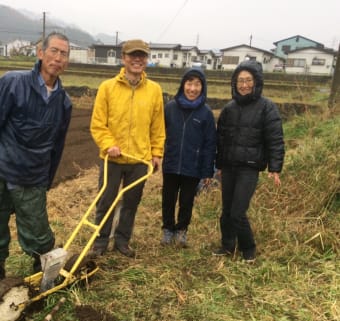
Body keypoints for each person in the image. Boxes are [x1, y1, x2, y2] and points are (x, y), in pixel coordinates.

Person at [0, 32, 72, 279]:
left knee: (38, 233)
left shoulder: (64, 102)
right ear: (41, 53)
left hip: (33, 175)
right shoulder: (12, 83)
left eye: (64, 54)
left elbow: (57, 146)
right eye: (53, 51)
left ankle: (43, 275)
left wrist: (46, 179)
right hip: (3, 167)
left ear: (67, 62)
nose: (58, 58)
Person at [90, 39, 165, 258]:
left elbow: (157, 126)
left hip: (139, 160)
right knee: (106, 201)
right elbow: (98, 124)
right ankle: (100, 242)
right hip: (112, 159)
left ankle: (122, 241)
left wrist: (157, 153)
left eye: (142, 56)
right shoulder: (108, 88)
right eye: (133, 55)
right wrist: (108, 144)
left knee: (131, 203)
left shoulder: (154, 90)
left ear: (146, 60)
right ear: (123, 58)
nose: (138, 59)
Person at [214, 60, 285, 263]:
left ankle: (248, 248)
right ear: (234, 83)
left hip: (249, 168)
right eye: (240, 81)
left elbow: (275, 138)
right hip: (229, 166)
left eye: (248, 80)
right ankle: (227, 245)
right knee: (226, 210)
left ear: (256, 82)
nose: (244, 85)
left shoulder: (267, 108)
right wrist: (218, 165)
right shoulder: (229, 108)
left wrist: (275, 166)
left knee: (237, 211)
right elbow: (221, 138)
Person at [161, 68, 216, 247]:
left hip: (193, 166)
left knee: (187, 201)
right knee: (168, 198)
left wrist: (208, 171)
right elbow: (159, 133)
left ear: (203, 87)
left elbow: (209, 143)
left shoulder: (206, 112)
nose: (192, 88)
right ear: (183, 85)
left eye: (197, 84)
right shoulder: (170, 107)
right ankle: (168, 229)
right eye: (189, 83)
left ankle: (182, 231)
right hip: (171, 162)